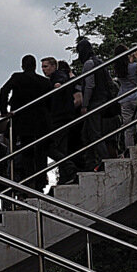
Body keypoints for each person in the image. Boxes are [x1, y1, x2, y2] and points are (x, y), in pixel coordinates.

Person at [0, 54, 52, 189]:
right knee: (41, 152)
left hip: (22, 120)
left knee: (26, 151)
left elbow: (4, 90)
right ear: (35, 66)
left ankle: (30, 181)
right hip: (41, 120)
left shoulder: (17, 78)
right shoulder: (44, 82)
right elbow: (50, 101)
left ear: (22, 66)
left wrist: (4, 112)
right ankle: (40, 182)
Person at [76, 38, 118, 169]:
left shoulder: (89, 64)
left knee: (94, 134)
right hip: (104, 100)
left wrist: (85, 105)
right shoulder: (99, 62)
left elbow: (89, 85)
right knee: (87, 133)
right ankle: (92, 163)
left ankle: (105, 161)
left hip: (95, 102)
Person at [41, 57, 81, 186]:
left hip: (60, 117)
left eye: (46, 66)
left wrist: (58, 84)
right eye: (42, 67)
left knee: (53, 146)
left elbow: (61, 79)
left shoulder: (58, 75)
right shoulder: (54, 78)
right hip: (61, 116)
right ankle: (65, 174)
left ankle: (68, 169)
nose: (43, 70)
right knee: (60, 147)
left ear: (53, 66)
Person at [113, 45, 137, 151]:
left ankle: (129, 149)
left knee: (128, 127)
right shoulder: (134, 66)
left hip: (124, 98)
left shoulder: (118, 69)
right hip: (136, 96)